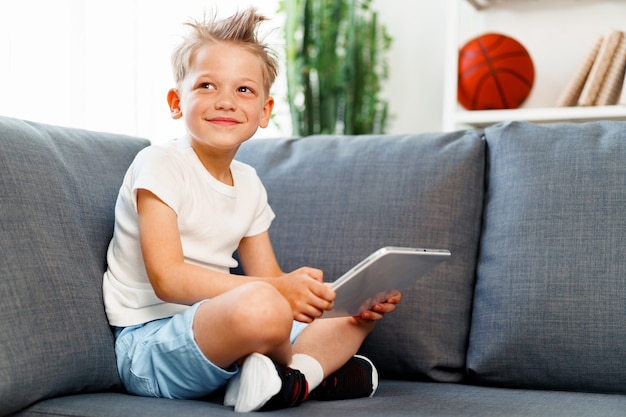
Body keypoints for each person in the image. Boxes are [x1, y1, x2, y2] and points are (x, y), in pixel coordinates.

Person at [102, 8, 401, 413]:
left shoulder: (249, 183)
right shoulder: (160, 163)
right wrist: (278, 292)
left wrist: (318, 298)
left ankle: (290, 380)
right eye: (207, 85)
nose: (225, 100)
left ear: (264, 111)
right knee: (263, 306)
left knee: (350, 316)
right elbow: (168, 280)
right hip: (151, 343)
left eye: (244, 90)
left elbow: (269, 279)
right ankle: (301, 373)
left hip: (222, 328)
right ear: (176, 102)